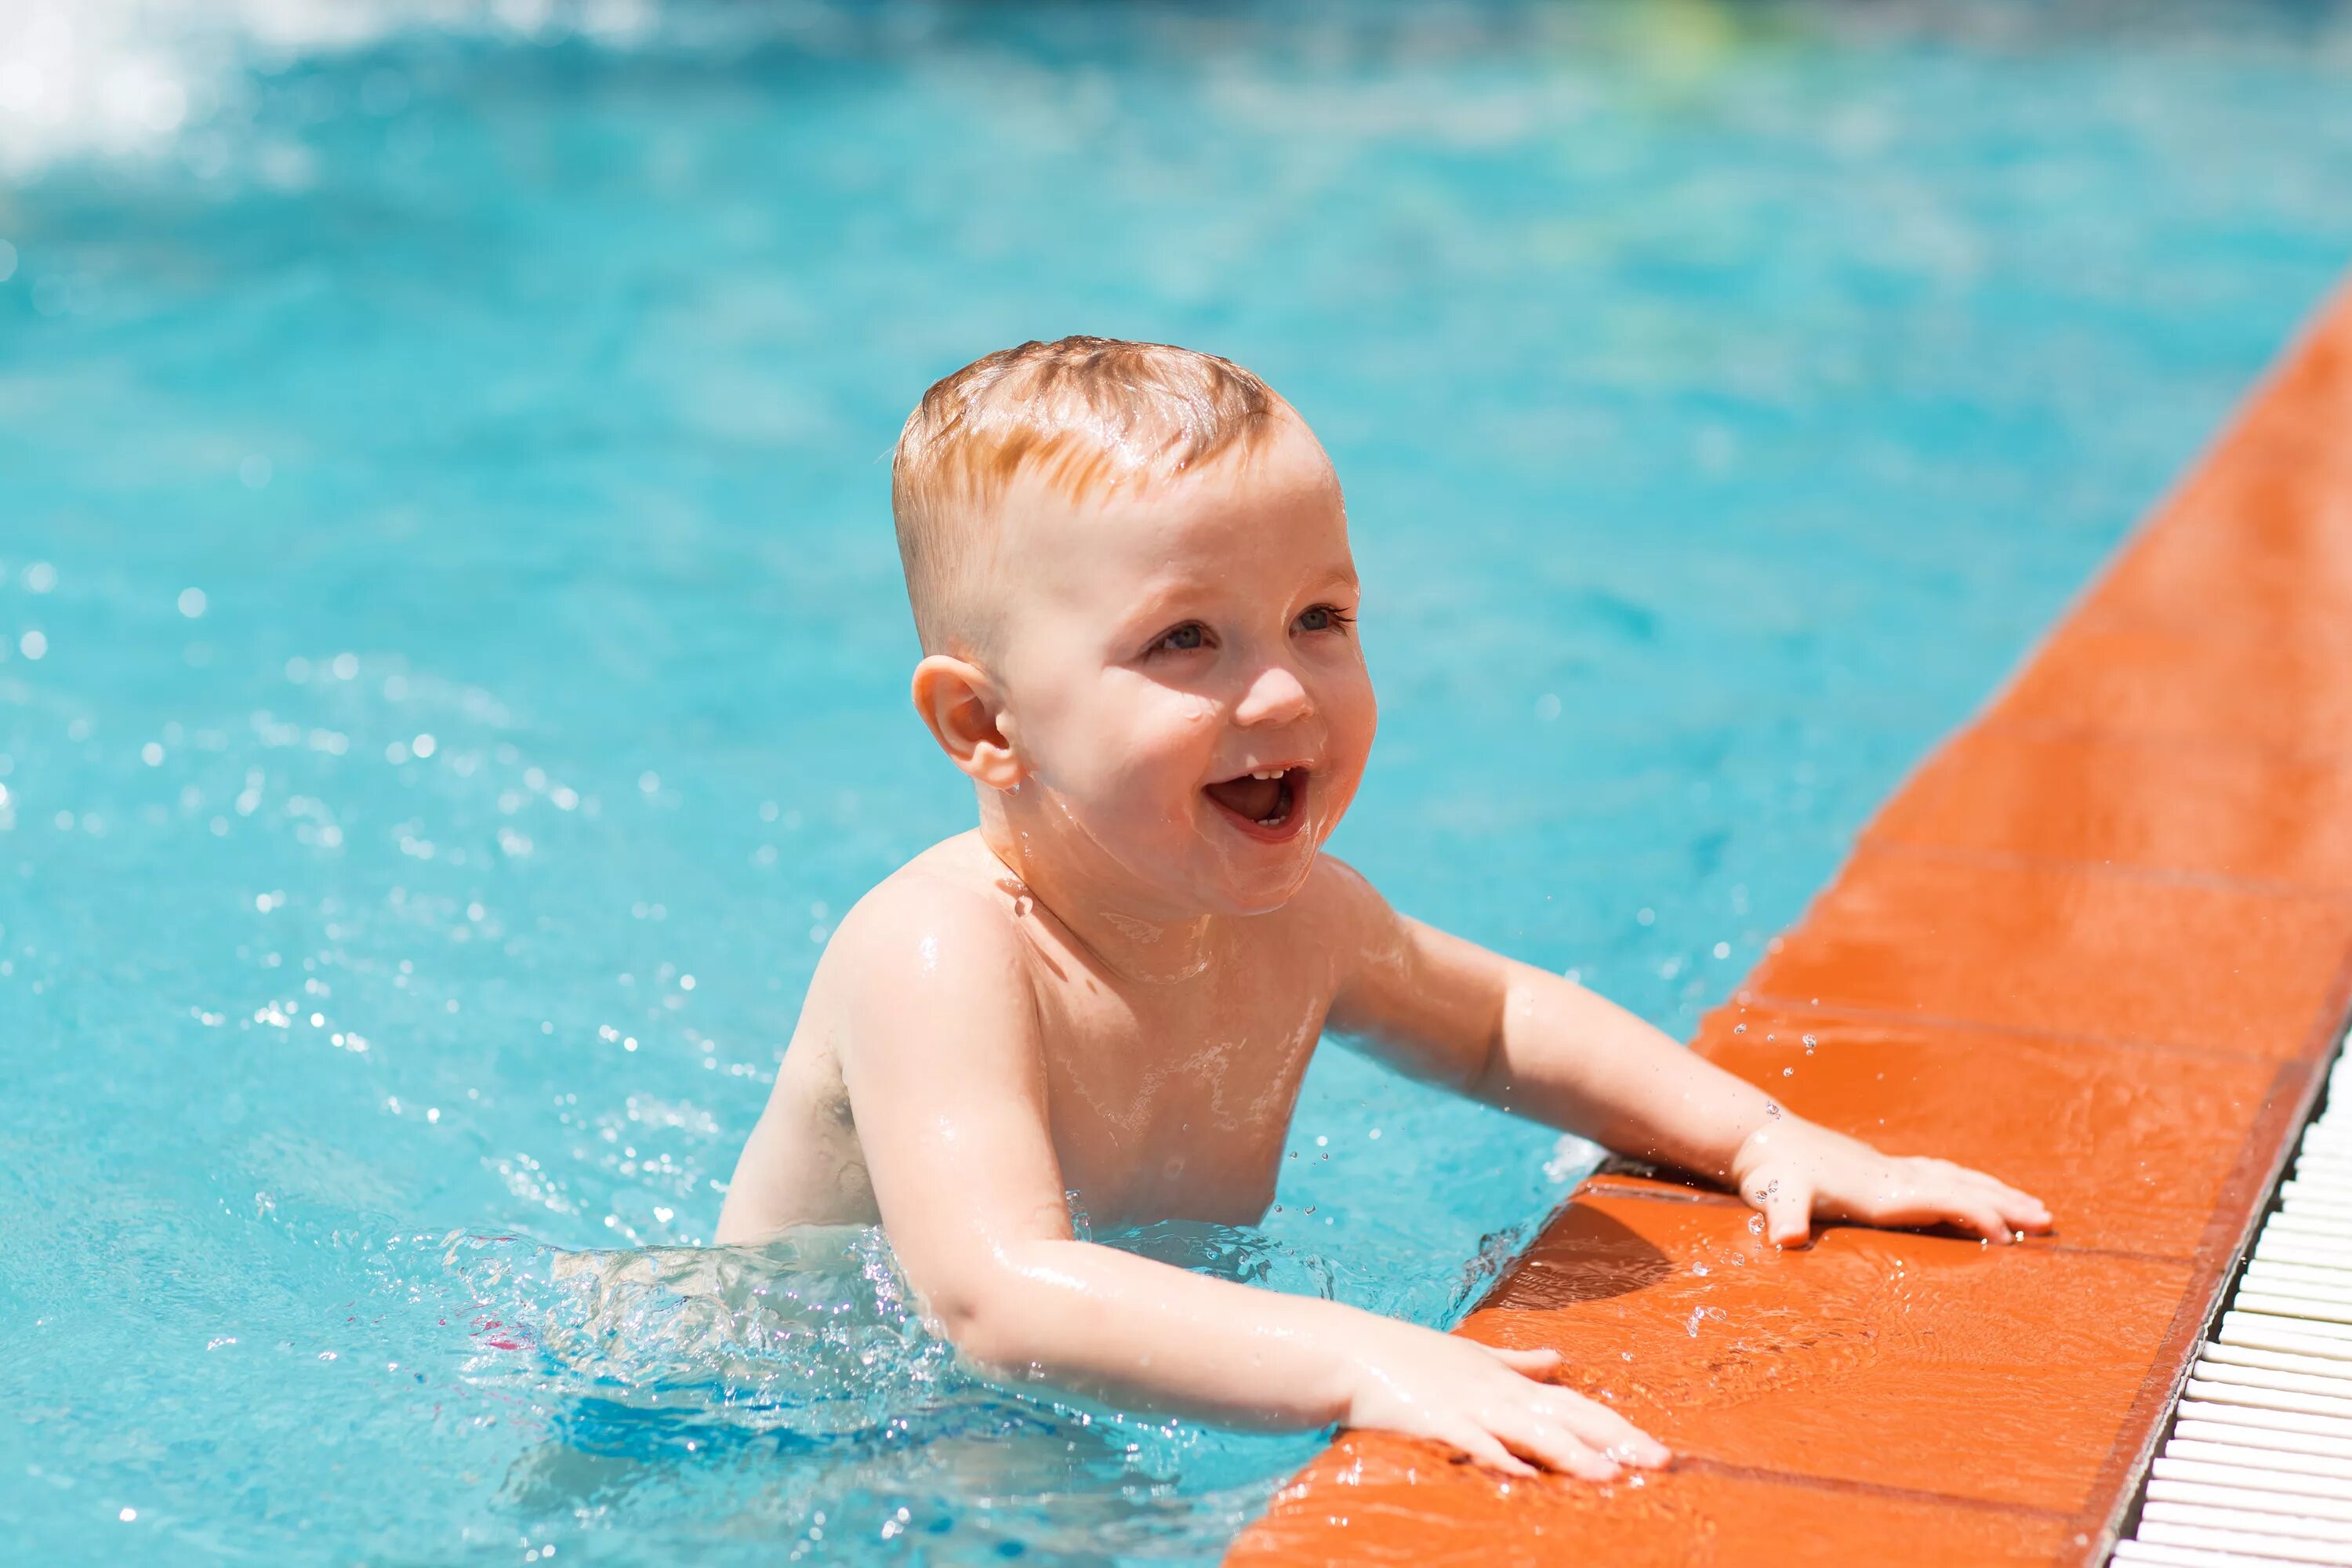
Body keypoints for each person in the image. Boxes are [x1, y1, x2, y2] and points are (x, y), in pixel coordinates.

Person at [713, 336, 2052, 1479]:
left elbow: (1499, 1023)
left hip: (1033, 1392)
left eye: (1320, 616)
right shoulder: (941, 949)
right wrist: (1353, 1356)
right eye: (1187, 640)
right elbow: (993, 1296)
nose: (1287, 694)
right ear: (984, 721)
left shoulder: (1302, 922)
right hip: (791, 1409)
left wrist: (1764, 1137)